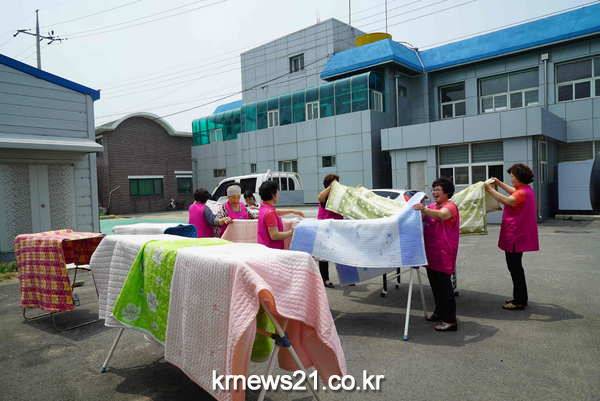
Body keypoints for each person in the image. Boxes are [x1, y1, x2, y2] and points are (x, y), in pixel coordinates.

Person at [485, 163, 539, 311]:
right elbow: (513, 192)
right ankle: (519, 297)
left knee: (515, 268)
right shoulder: (525, 189)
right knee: (516, 268)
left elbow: (508, 200)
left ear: (519, 177)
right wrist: (499, 183)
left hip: (515, 235)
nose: (511, 179)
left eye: (513, 176)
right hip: (517, 234)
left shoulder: (521, 193)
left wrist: (490, 190)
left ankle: (519, 301)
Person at [413, 177, 460, 332]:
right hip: (430, 253)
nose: (434, 192)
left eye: (438, 190)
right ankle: (439, 312)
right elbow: (421, 217)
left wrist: (424, 209)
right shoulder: (433, 206)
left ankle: (450, 320)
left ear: (447, 192)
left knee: (445, 287)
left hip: (443, 252)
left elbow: (442, 215)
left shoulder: (450, 206)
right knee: (435, 286)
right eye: (433, 189)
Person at [257, 180, 304, 249]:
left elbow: (276, 212)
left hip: (264, 247)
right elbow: (274, 235)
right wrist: (292, 232)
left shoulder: (264, 207)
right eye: (277, 192)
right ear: (273, 195)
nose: (278, 195)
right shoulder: (269, 213)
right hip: (272, 250)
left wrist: (293, 211)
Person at [316, 174, 343, 288]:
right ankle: (325, 279)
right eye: (335, 183)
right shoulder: (325, 196)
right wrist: (332, 186)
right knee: (324, 255)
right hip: (325, 229)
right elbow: (320, 197)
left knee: (342, 253)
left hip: (337, 228)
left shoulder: (338, 195)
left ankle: (347, 278)